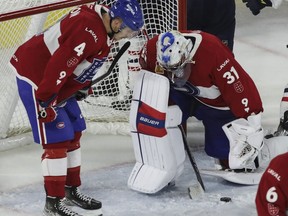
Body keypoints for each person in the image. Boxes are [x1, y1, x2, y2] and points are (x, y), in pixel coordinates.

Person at [9, 0, 143, 215]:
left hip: (58, 82)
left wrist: (82, 86)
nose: (128, 35)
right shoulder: (88, 31)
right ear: (117, 22)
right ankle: (53, 203)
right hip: (38, 78)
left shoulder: (102, 24)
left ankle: (71, 190)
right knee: (57, 139)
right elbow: (60, 64)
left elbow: (80, 62)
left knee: (75, 130)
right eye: (128, 30)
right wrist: (45, 100)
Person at [139, 30, 264, 171]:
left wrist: (254, 127)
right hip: (178, 94)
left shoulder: (212, 52)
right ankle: (160, 161)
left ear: (188, 56)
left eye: (179, 68)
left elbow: (240, 88)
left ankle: (225, 154)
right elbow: (149, 86)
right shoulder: (150, 51)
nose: (175, 75)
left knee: (225, 154)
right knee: (160, 117)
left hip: (214, 101)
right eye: (169, 70)